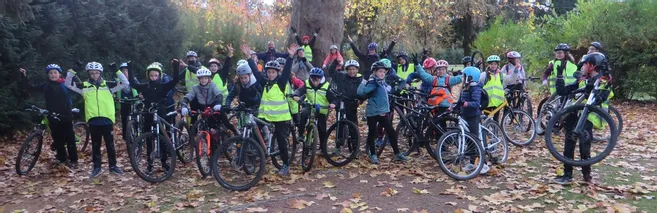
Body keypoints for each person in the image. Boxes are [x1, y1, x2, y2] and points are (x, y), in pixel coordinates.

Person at [553, 52, 613, 185]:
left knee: (584, 146)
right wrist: (559, 76)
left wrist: (594, 92)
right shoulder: (582, 80)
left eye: (584, 64)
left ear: (592, 65)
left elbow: (602, 97)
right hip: (573, 114)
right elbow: (563, 91)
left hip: (589, 117)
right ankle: (567, 174)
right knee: (569, 143)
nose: (582, 67)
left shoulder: (603, 81)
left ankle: (587, 176)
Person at [65, 62, 129, 178]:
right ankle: (97, 167)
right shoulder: (84, 86)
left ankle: (113, 166)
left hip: (107, 119)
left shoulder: (109, 85)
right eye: (92, 73)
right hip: (94, 120)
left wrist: (116, 70)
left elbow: (125, 83)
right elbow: (68, 84)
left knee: (110, 144)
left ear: (100, 73)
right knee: (95, 145)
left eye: (97, 73)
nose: (94, 75)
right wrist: (73, 71)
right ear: (88, 74)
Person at [127, 60, 183, 174]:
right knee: (149, 138)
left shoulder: (163, 86)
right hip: (148, 112)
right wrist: (130, 67)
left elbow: (175, 80)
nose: (153, 77)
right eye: (151, 75)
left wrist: (175, 66)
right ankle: (150, 163)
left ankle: (164, 161)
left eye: (156, 75)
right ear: (148, 75)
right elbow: (132, 83)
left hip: (161, 112)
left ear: (160, 76)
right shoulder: (144, 86)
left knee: (163, 136)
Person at [20, 64, 79, 169]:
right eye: (50, 73)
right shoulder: (46, 85)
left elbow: (80, 86)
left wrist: (74, 73)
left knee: (69, 139)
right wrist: (24, 77)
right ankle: (62, 159)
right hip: (52, 116)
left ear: (59, 74)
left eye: (55, 72)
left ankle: (74, 160)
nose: (53, 75)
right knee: (58, 139)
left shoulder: (66, 84)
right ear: (48, 75)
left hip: (66, 115)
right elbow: (30, 88)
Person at [251, 43, 297, 176]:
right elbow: (255, 71)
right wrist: (249, 58)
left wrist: (290, 56)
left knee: (282, 142)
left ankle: (285, 164)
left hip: (280, 118)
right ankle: (257, 153)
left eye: (273, 72)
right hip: (265, 116)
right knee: (254, 128)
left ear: (277, 73)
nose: (270, 74)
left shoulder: (281, 83)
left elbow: (287, 70)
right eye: (269, 72)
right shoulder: (265, 83)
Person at [357, 61, 408, 164]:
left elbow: (388, 92)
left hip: (382, 111)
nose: (382, 73)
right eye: (380, 71)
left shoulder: (382, 82)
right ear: (375, 72)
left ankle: (397, 153)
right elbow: (361, 92)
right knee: (372, 133)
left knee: (391, 132)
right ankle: (373, 154)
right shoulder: (373, 82)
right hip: (373, 112)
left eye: (384, 72)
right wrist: (364, 80)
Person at [406, 57, 462, 139]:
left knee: (436, 121)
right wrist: (417, 65)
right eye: (439, 69)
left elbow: (460, 78)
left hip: (445, 105)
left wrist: (466, 72)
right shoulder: (434, 79)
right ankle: (441, 140)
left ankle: (443, 140)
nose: (440, 71)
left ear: (446, 70)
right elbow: (424, 75)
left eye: (443, 69)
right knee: (440, 123)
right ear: (436, 70)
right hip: (436, 105)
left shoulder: (449, 79)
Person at [456, 66, 488, 174]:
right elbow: (460, 100)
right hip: (465, 115)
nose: (462, 78)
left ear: (470, 77)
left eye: (464, 76)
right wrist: (455, 106)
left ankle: (483, 163)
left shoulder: (476, 88)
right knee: (469, 140)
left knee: (475, 139)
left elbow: (476, 103)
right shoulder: (465, 87)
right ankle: (471, 162)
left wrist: (467, 104)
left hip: (473, 116)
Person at [293, 68, 335, 150]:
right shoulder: (307, 83)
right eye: (313, 79)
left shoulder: (326, 86)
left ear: (321, 78)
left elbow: (332, 98)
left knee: (322, 129)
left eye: (317, 79)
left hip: (321, 109)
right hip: (309, 105)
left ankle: (323, 148)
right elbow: (300, 90)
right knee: (304, 114)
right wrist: (296, 95)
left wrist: (333, 103)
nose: (315, 82)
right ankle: (301, 134)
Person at [327, 59, 363, 152]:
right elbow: (331, 72)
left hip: (352, 103)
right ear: (346, 70)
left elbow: (365, 92)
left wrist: (361, 99)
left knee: (353, 124)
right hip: (341, 101)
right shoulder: (341, 76)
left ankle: (355, 146)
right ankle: (338, 145)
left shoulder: (360, 79)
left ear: (357, 70)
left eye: (354, 69)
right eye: (350, 69)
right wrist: (335, 62)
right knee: (340, 123)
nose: (352, 71)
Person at [114, 62, 140, 140]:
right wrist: (115, 97)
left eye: (127, 71)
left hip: (134, 102)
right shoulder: (117, 81)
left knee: (136, 118)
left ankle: (137, 133)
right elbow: (112, 91)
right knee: (124, 119)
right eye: (123, 71)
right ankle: (126, 138)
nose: (125, 73)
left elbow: (140, 89)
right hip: (123, 102)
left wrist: (140, 95)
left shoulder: (134, 80)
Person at [480, 55, 505, 121]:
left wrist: (516, 71)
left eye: (495, 64)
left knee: (496, 119)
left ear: (497, 65)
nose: (493, 66)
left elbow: (510, 79)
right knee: (486, 118)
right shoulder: (484, 75)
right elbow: (478, 83)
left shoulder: (500, 74)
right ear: (489, 65)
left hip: (497, 101)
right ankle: (486, 130)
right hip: (487, 101)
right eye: (491, 64)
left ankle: (495, 130)